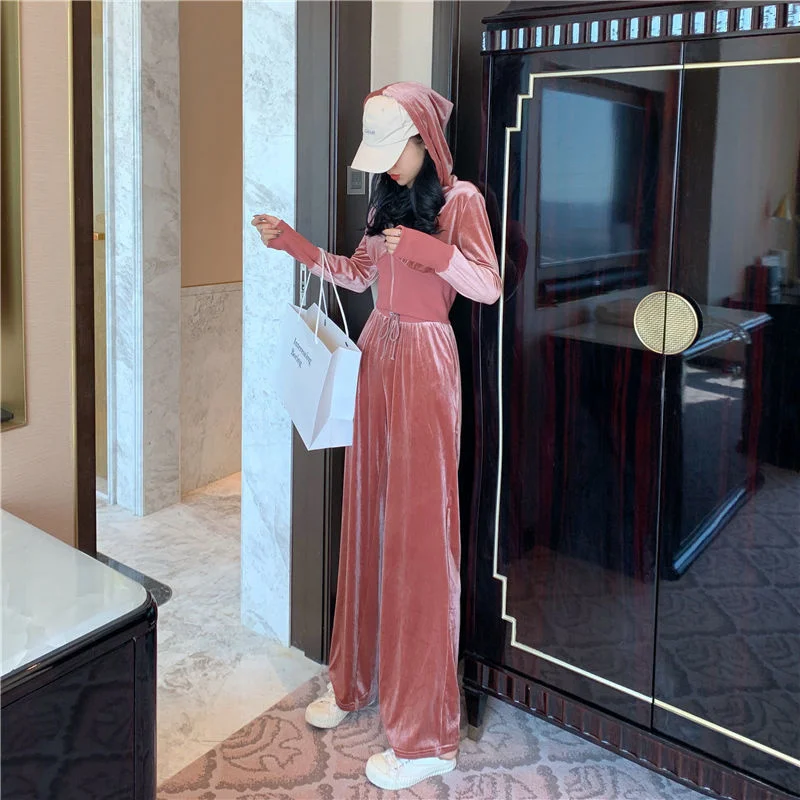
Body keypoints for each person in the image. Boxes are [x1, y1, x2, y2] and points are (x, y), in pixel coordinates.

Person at [252, 81, 501, 792]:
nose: (388, 165)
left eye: (397, 151)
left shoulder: (461, 201)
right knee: (365, 519)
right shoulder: (385, 200)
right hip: (378, 353)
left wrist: (428, 251)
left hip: (426, 359)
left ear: (425, 139)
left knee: (422, 535)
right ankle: (355, 678)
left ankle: (429, 739)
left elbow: (488, 286)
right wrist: (295, 245)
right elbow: (359, 275)